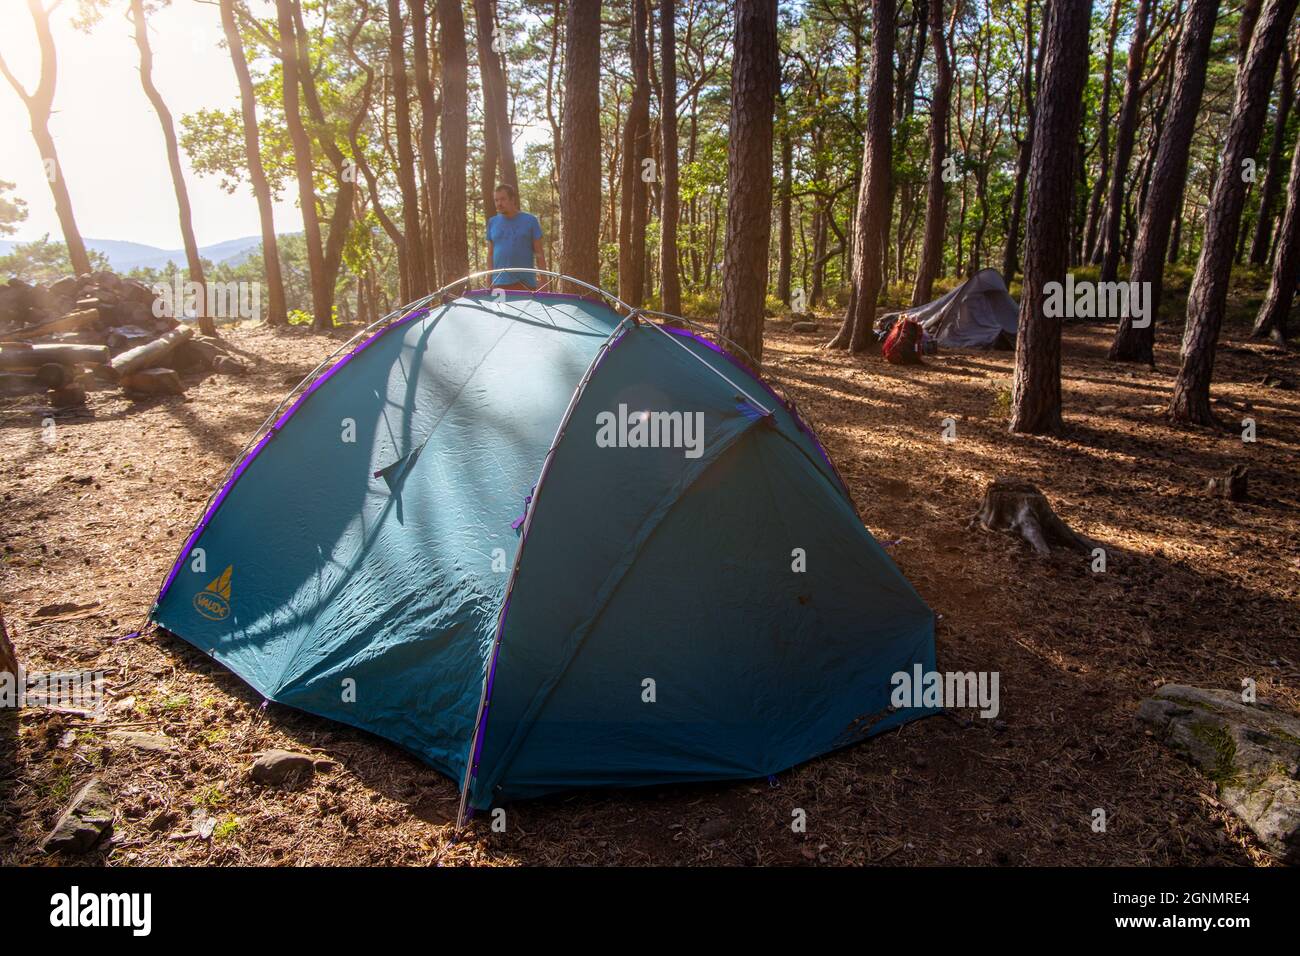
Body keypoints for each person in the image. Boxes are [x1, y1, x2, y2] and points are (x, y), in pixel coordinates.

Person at [485, 184, 546, 290]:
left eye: (503, 199)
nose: (499, 203)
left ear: (512, 199)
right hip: (498, 284)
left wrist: (544, 282)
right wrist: (488, 283)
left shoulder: (530, 221)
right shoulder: (492, 222)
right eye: (496, 200)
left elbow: (539, 253)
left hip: (525, 283)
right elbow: (490, 255)